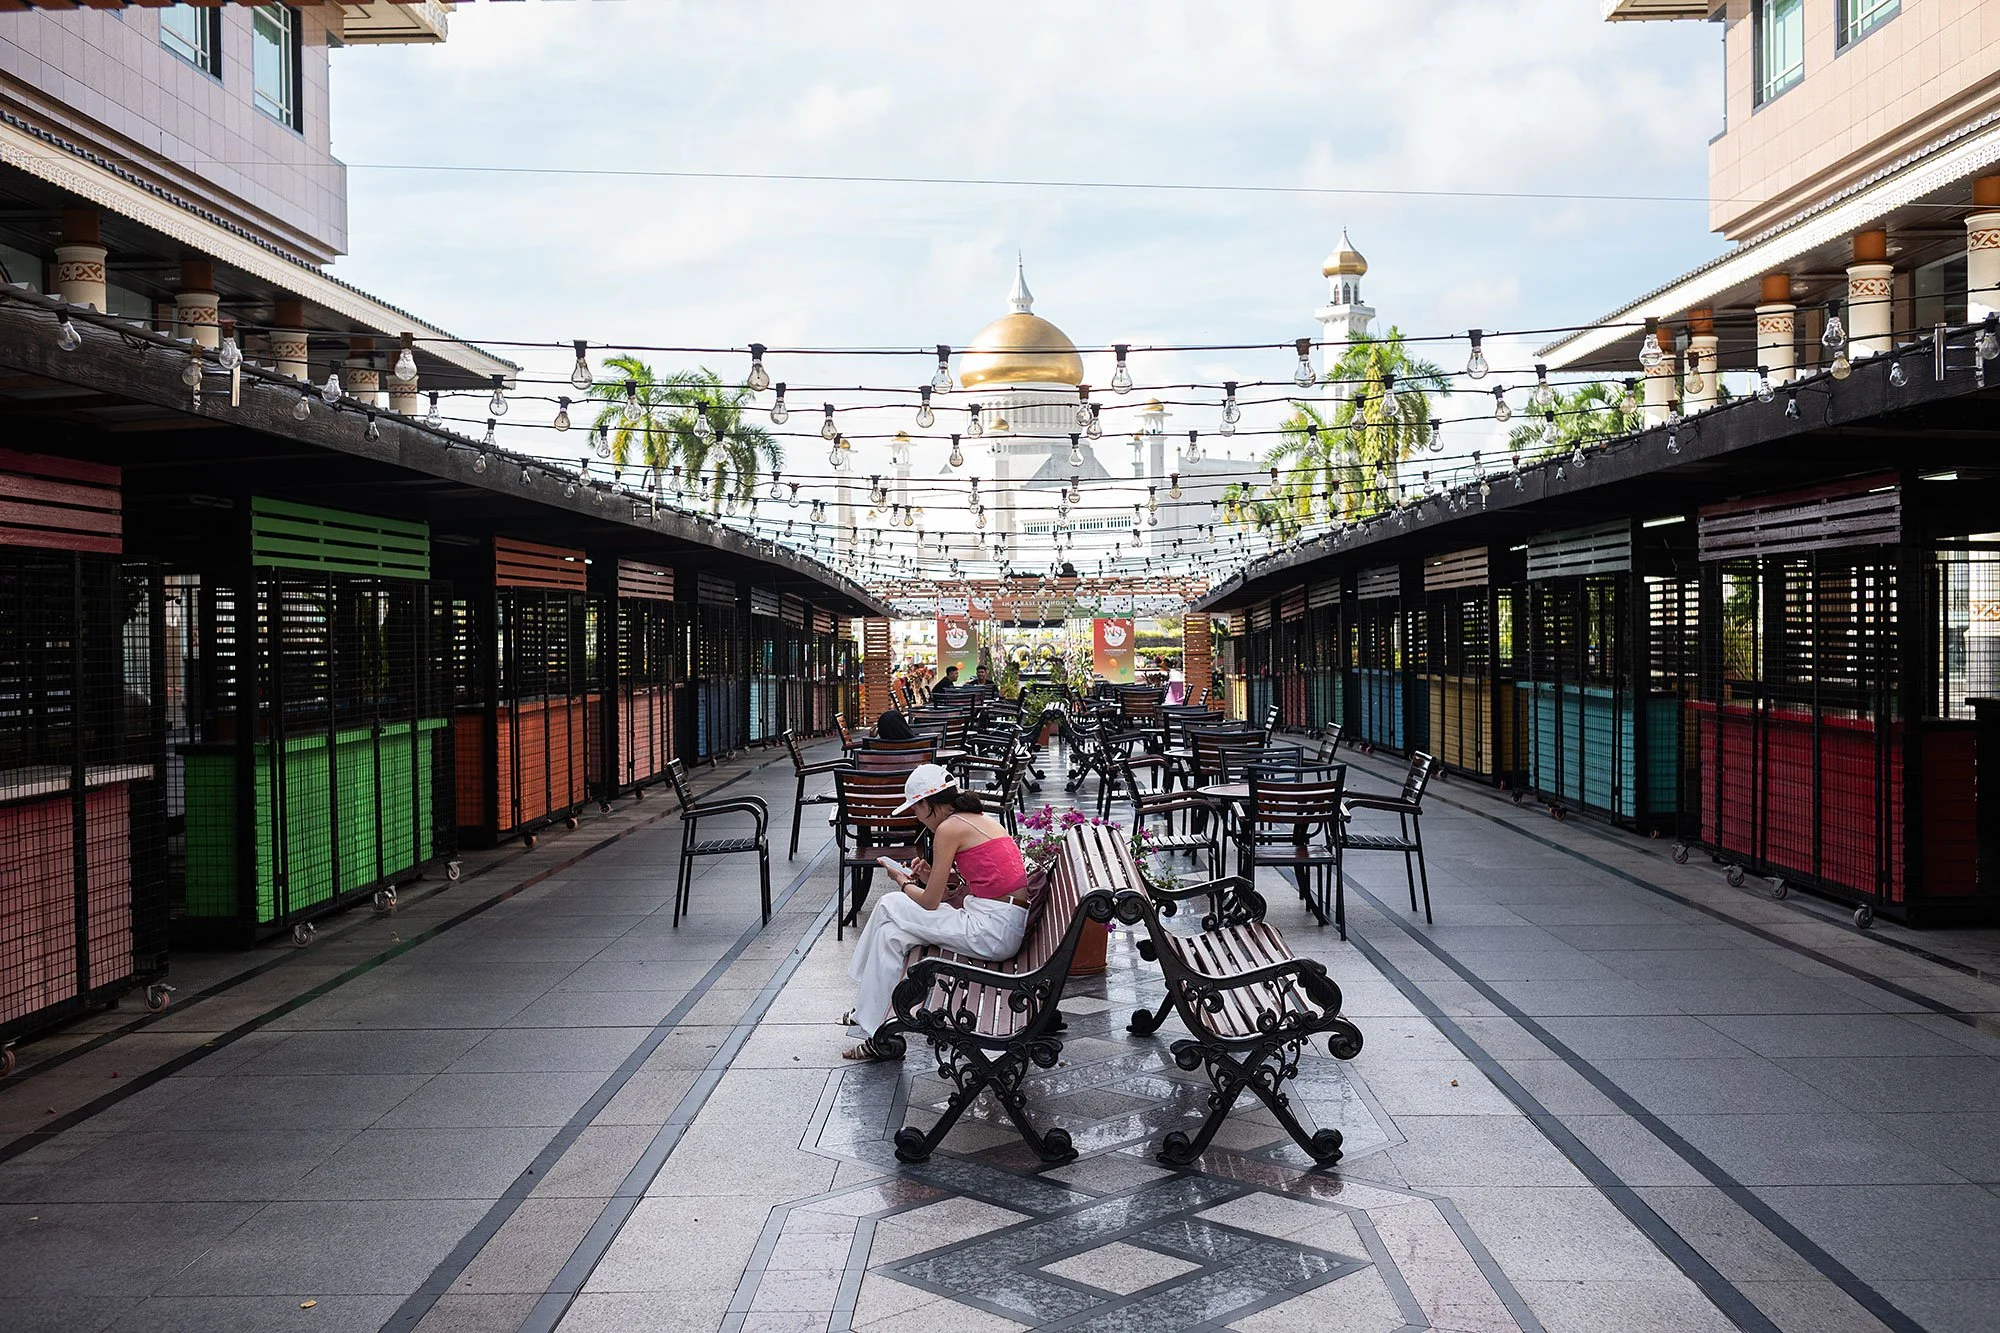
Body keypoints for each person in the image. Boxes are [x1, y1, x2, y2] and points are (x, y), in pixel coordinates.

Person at [842, 764, 1032, 1060]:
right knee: (892, 934)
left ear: (926, 805)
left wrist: (902, 881)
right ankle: (874, 1025)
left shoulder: (948, 829)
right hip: (997, 922)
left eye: (915, 810)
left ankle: (863, 999)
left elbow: (930, 902)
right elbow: (961, 888)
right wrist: (931, 876)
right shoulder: (976, 819)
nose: (917, 818)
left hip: (991, 930)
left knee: (890, 903)